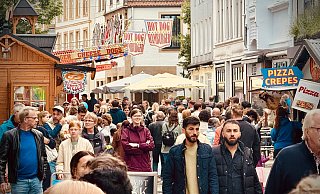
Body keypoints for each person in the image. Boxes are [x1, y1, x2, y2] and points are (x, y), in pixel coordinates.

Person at [265, 109, 320, 194]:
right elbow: (273, 189)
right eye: (319, 129)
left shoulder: (277, 125)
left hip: (278, 146)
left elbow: (273, 135)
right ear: (307, 131)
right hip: (286, 148)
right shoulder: (286, 157)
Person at [162, 116, 219, 194]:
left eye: (197, 129)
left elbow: (213, 176)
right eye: (191, 129)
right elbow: (167, 178)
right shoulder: (175, 152)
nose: (195, 133)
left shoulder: (207, 150)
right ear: (183, 131)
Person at [0, 106, 48, 194]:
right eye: (34, 118)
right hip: (19, 182)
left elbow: (43, 156)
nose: (37, 120)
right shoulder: (9, 135)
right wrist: (2, 180)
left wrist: (42, 176)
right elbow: (1, 160)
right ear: (25, 119)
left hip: (36, 181)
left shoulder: (39, 135)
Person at [212, 120, 262, 194]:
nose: (232, 134)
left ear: (239, 134)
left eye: (235, 131)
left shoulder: (247, 153)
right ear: (223, 134)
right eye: (228, 131)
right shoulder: (214, 153)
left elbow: (253, 178)